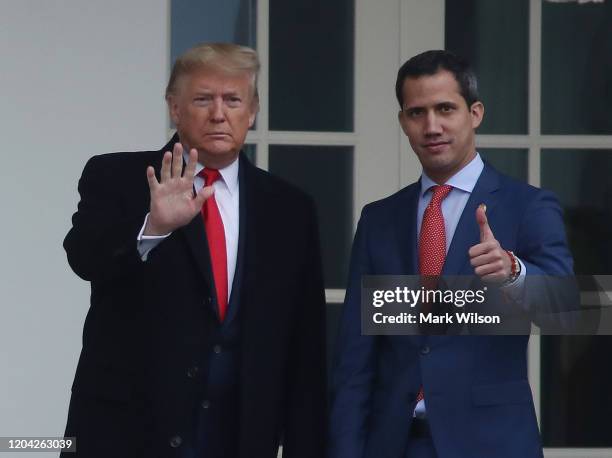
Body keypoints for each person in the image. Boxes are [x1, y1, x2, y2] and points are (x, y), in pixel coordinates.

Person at [62, 43, 326, 458]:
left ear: (252, 111)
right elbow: (83, 258)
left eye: (233, 100)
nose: (218, 114)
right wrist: (153, 227)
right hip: (130, 433)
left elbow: (305, 338)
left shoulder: (290, 208)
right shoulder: (118, 176)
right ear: (175, 107)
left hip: (241, 434)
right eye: (203, 99)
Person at [329, 50, 574, 458]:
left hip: (490, 443)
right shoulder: (379, 220)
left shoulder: (527, 206)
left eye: (446, 109)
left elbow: (564, 308)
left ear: (474, 113)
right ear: (403, 121)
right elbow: (357, 359)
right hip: (395, 443)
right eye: (417, 112)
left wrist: (513, 273)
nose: (432, 126)